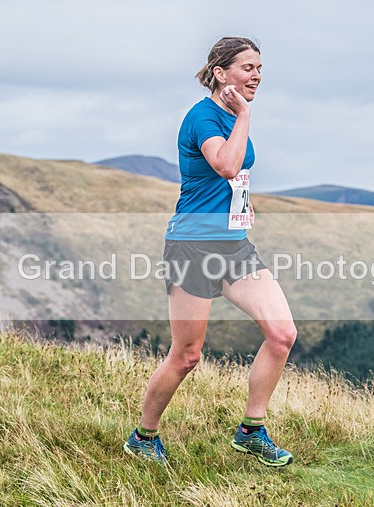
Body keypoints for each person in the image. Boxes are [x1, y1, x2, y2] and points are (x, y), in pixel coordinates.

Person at [123, 37, 297, 467]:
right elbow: (226, 164)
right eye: (248, 68)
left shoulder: (233, 116)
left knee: (282, 335)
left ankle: (251, 431)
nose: (257, 76)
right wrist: (246, 115)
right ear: (220, 73)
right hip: (192, 247)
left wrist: (239, 207)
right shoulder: (203, 117)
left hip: (234, 246)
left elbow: (233, 178)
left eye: (260, 69)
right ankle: (143, 437)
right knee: (187, 356)